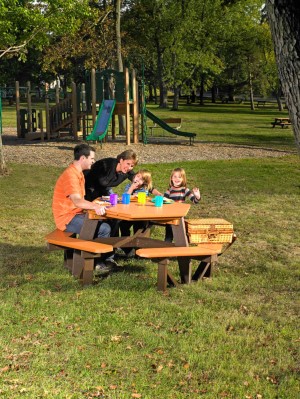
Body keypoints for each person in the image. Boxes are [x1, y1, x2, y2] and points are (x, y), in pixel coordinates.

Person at [52, 143, 115, 274]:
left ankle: (103, 258)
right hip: (67, 218)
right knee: (104, 229)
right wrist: (95, 206)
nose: (94, 161)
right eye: (92, 158)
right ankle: (96, 263)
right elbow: (77, 201)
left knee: (107, 222)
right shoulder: (71, 175)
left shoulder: (78, 173)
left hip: (75, 214)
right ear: (82, 158)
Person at [119, 170, 163, 256]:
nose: (138, 179)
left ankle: (138, 250)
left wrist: (158, 194)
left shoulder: (145, 187)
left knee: (139, 229)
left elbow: (153, 189)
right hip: (129, 213)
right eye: (137, 176)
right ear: (134, 177)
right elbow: (125, 197)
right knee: (123, 226)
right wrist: (131, 188)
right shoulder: (129, 186)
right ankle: (126, 247)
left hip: (141, 213)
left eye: (141, 179)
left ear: (144, 182)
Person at [164, 167, 201, 242]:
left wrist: (197, 196)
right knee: (168, 237)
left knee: (181, 237)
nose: (177, 179)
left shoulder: (184, 190)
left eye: (179, 177)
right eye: (175, 176)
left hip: (180, 217)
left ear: (183, 179)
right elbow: (163, 201)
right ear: (171, 178)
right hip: (170, 217)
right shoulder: (169, 190)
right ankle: (166, 252)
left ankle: (180, 251)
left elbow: (194, 201)